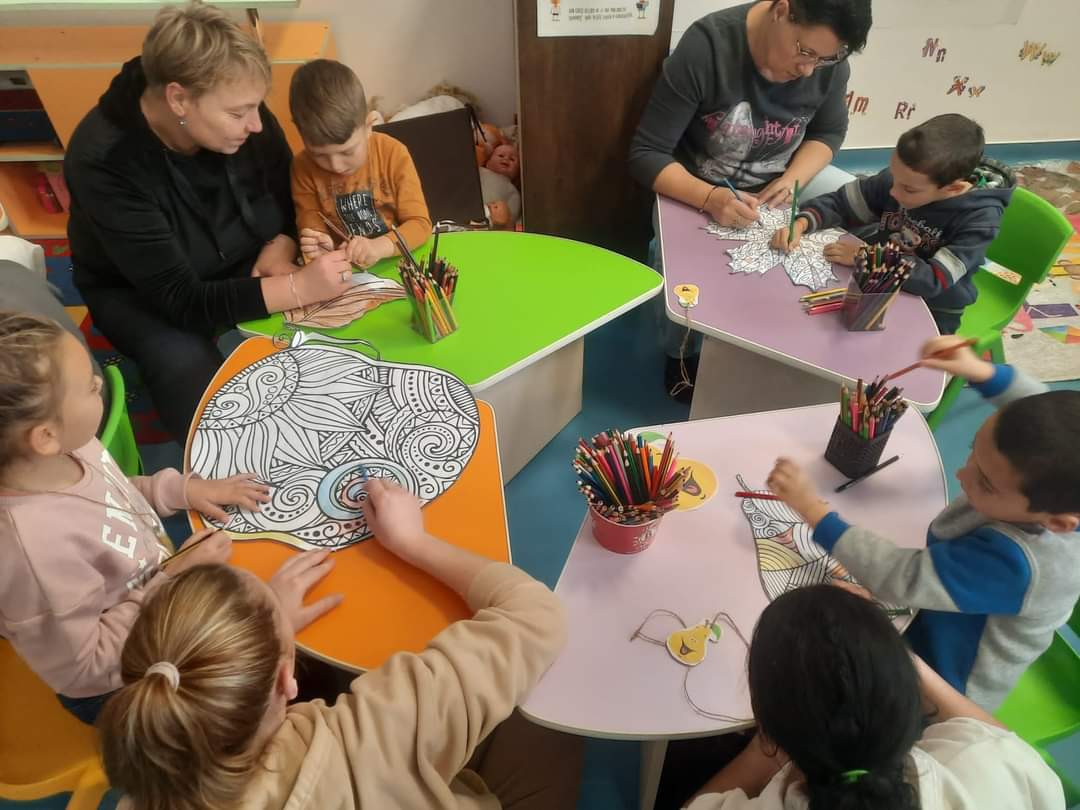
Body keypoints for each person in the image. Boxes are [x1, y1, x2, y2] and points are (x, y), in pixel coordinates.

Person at [99, 479, 584, 810]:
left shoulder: (148, 785)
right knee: (553, 714)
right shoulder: (372, 735)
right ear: (287, 679)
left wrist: (268, 637)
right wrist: (414, 542)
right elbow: (535, 615)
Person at [64, 3, 354, 444]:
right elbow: (180, 299)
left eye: (256, 107)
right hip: (145, 293)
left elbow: (288, 188)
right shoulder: (104, 162)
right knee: (196, 389)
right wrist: (297, 288)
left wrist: (284, 239)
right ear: (178, 99)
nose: (256, 125)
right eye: (238, 114)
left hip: (250, 253)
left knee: (340, 346)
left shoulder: (236, 99)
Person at [766, 336, 1080, 710]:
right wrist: (979, 370)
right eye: (973, 450)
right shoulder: (1056, 481)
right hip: (938, 606)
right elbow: (1031, 402)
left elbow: (901, 576)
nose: (962, 474)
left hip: (944, 680)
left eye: (985, 483)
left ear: (1058, 523)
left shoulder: (1017, 564)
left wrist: (812, 509)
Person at [0, 312, 269, 725]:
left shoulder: (70, 449)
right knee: (258, 665)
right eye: (90, 387)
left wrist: (182, 491)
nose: (100, 383)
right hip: (121, 683)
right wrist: (173, 579)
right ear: (45, 436)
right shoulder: (33, 552)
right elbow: (86, 668)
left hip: (154, 597)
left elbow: (112, 492)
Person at [627, 0, 873, 396]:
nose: (808, 69)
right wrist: (710, 199)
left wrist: (794, 178)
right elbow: (647, 155)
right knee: (677, 271)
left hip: (779, 185)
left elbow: (828, 133)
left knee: (855, 207)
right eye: (804, 51)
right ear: (781, 10)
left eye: (825, 59)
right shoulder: (708, 47)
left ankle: (805, 339)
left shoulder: (827, 60)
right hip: (699, 186)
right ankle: (680, 355)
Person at [676, 584, 1066, 809]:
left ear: (765, 726)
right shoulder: (984, 769)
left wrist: (765, 749)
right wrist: (880, 651)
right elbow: (994, 739)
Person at [773, 114, 1012, 334]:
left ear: (953, 188)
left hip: (934, 308)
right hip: (876, 285)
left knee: (894, 355)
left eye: (908, 189)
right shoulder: (904, 179)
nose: (893, 192)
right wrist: (802, 222)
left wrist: (867, 257)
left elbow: (934, 279)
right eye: (894, 176)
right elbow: (841, 203)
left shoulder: (980, 220)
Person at [289, 59, 432, 268]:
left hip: (398, 261)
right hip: (345, 269)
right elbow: (312, 231)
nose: (336, 166)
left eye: (347, 151)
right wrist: (320, 247)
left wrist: (379, 247)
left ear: (369, 125)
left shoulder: (393, 153)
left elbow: (420, 225)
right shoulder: (302, 168)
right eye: (318, 155)